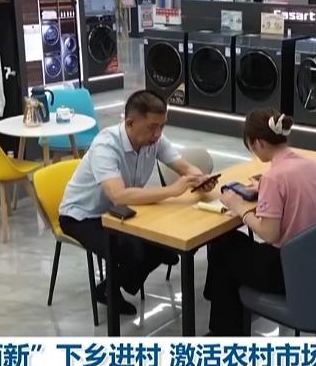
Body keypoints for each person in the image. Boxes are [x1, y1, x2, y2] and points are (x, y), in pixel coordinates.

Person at [59, 90, 216, 315]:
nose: (158, 133)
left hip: (121, 212)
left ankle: (112, 285)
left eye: (162, 126)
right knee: (132, 250)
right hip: (82, 216)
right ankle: (110, 290)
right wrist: (172, 191)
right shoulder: (106, 145)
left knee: (166, 247)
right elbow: (119, 195)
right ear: (130, 123)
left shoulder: (154, 139)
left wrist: (200, 178)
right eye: (152, 127)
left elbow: (183, 166)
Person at [203, 109, 316, 336]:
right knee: (229, 246)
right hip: (315, 260)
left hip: (288, 270)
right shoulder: (308, 165)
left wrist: (240, 207)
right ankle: (225, 309)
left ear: (258, 143)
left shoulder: (274, 177)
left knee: (222, 248)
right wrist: (263, 189)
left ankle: (225, 330)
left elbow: (269, 234)